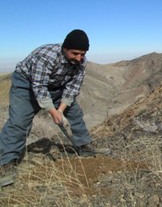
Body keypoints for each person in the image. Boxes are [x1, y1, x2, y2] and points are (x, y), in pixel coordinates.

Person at [0, 29, 110, 187]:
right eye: (75, 53)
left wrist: (61, 109)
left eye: (83, 54)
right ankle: (6, 163)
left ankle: (84, 146)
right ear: (65, 48)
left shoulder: (81, 61)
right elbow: (39, 87)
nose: (79, 58)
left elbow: (73, 87)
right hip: (26, 85)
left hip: (56, 86)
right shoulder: (45, 56)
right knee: (18, 122)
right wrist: (52, 112)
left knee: (75, 113)